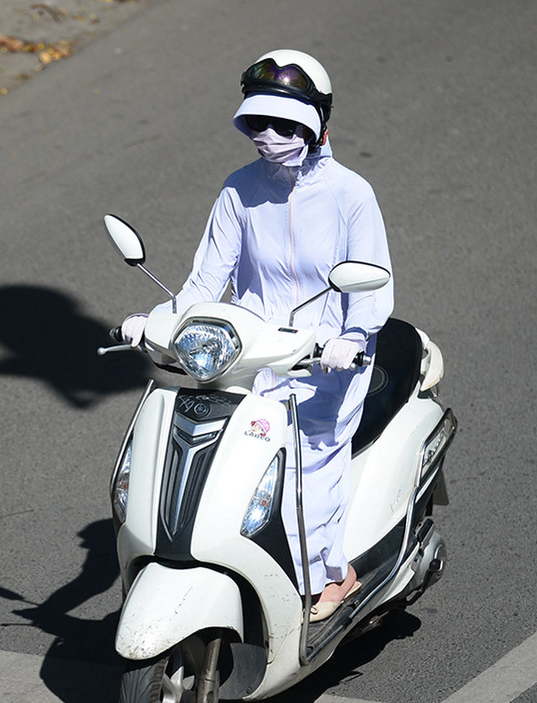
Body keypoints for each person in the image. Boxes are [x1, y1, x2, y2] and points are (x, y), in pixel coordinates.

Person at [121, 49, 394, 622]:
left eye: (286, 124)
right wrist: (157, 320)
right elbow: (205, 281)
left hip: (325, 362)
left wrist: (351, 338)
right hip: (247, 357)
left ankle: (327, 574)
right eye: (260, 123)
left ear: (317, 125)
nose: (270, 136)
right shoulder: (239, 190)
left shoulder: (351, 194)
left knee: (308, 465)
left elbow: (371, 284)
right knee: (230, 461)